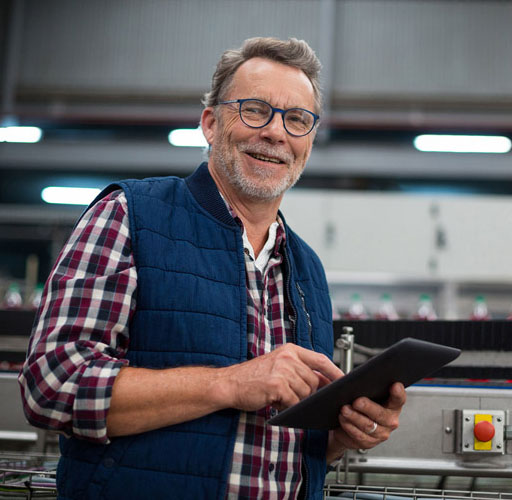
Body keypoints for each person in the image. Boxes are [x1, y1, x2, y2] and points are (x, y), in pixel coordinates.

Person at [19, 37, 406, 500]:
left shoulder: (307, 270)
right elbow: (52, 385)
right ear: (210, 123)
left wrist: (344, 433)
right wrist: (230, 383)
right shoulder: (130, 216)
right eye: (255, 110)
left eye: (297, 120)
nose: (276, 133)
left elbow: (285, 449)